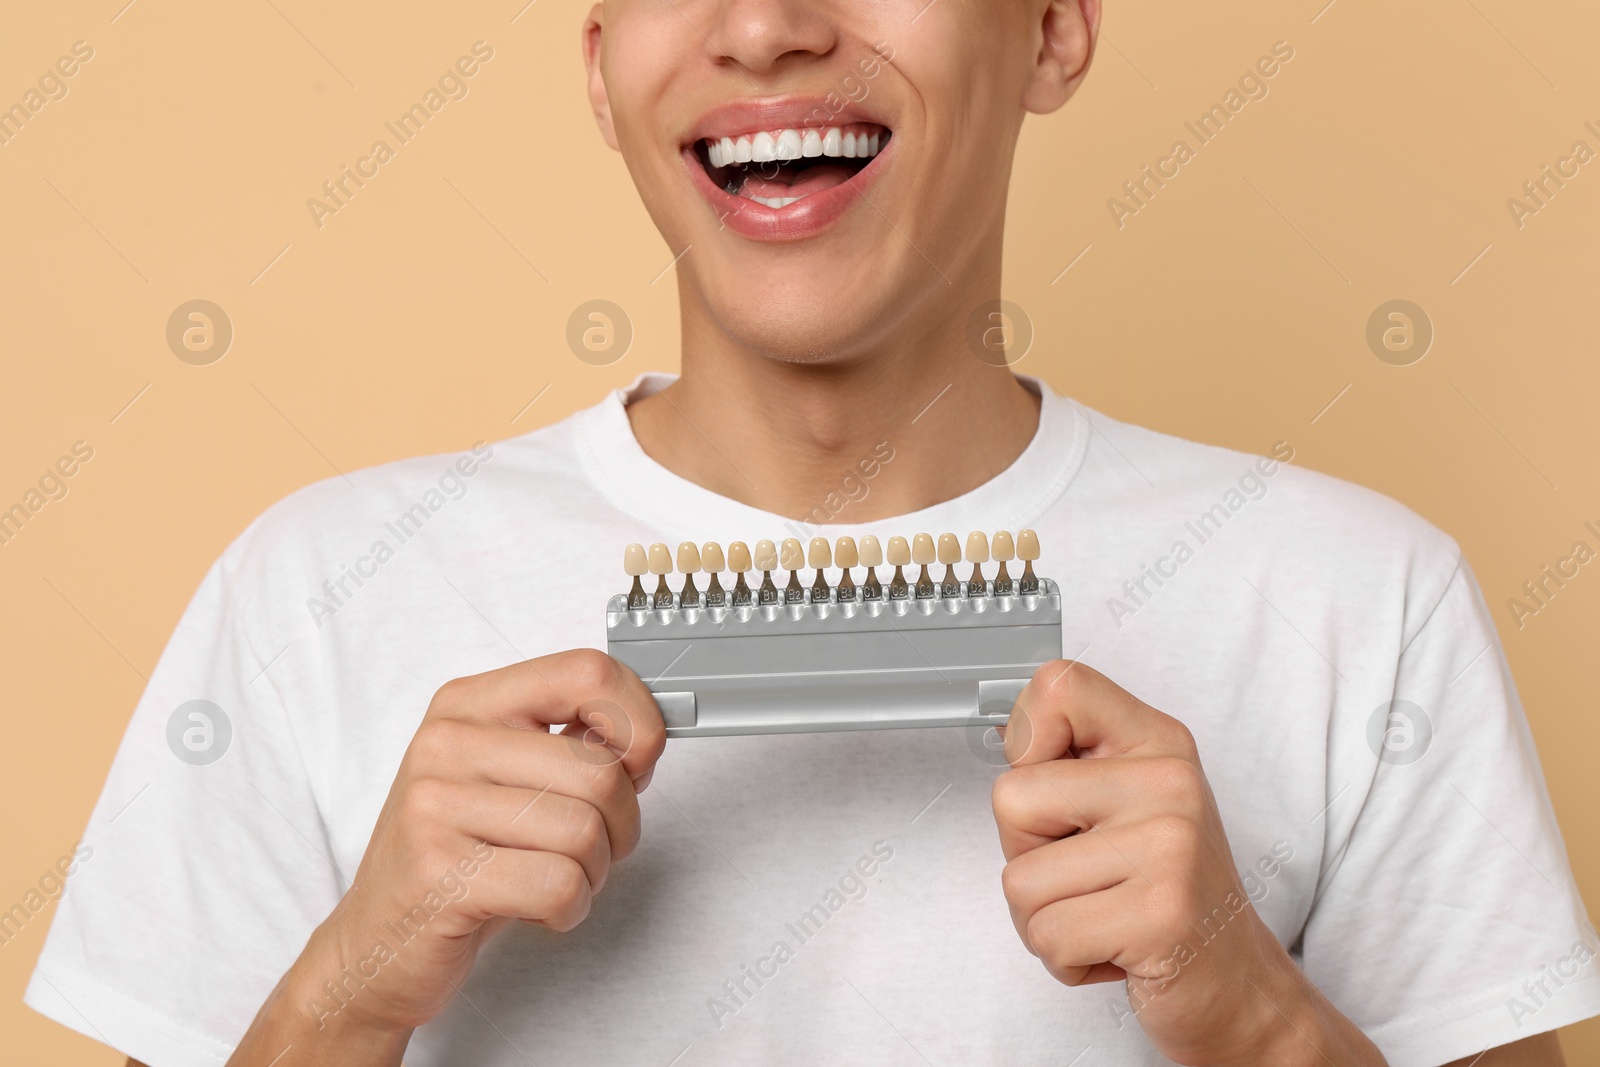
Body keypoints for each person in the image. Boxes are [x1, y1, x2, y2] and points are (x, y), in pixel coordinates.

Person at [26, 2, 1598, 1065]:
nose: (768, 22)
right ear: (598, 66)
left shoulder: (1359, 600)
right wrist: (351, 990)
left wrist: (1257, 1020)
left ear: (1052, 26)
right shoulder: (313, 592)